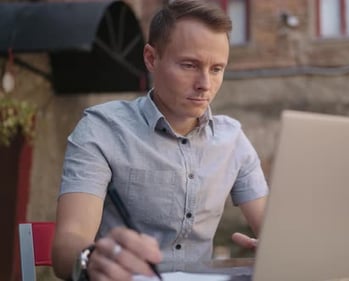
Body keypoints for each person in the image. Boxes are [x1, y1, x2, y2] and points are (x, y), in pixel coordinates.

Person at [51, 1, 268, 280]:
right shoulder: (101, 130)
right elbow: (68, 242)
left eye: (217, 69)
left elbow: (272, 230)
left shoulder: (233, 139)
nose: (205, 83)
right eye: (190, 65)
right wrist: (91, 259)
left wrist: (277, 250)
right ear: (151, 58)